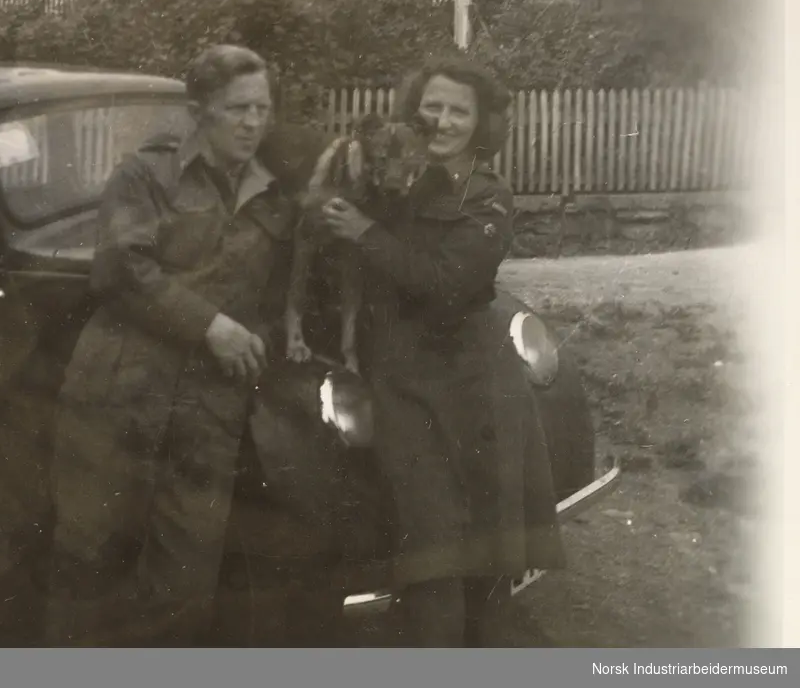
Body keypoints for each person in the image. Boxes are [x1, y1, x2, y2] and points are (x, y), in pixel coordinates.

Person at [43, 44, 303, 646]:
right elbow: (120, 269)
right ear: (199, 111)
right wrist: (212, 326)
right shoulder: (145, 175)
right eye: (237, 108)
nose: (252, 122)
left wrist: (267, 332)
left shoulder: (274, 196)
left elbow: (277, 294)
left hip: (208, 415)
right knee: (86, 564)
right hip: (117, 398)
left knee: (183, 586)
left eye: (262, 108)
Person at [317, 54, 566, 647]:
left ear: (481, 122)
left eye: (460, 110)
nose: (445, 121)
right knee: (431, 554)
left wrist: (365, 233)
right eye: (433, 106)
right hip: (404, 386)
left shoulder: (488, 194)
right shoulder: (388, 179)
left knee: (483, 558)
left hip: (475, 385)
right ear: (413, 111)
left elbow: (447, 285)